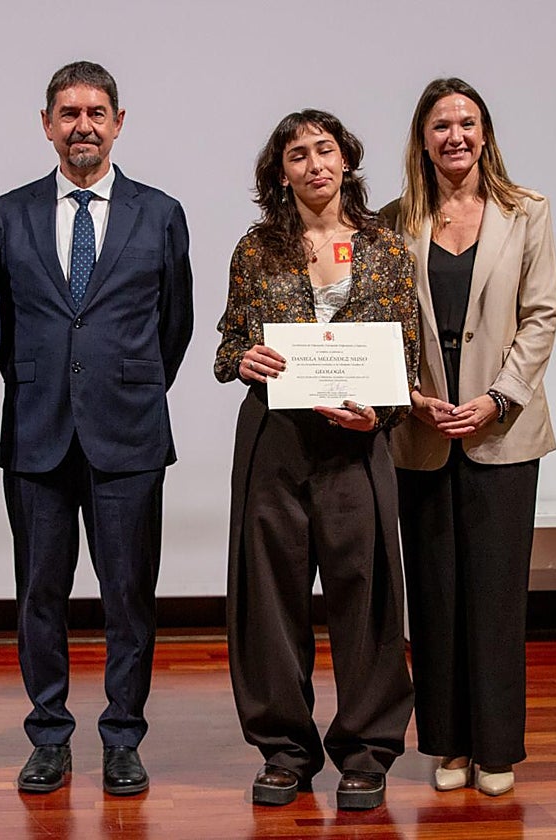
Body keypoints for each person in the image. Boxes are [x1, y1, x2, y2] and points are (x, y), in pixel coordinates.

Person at [0, 61, 193, 797]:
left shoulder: (159, 211)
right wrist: (47, 386)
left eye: (96, 112)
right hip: (37, 433)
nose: (83, 125)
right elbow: (0, 327)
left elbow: (176, 324)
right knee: (39, 594)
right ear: (46, 124)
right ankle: (48, 737)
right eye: (68, 112)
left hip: (129, 436)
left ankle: (121, 738)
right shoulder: (8, 213)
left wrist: (129, 386)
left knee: (129, 596)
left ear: (119, 122)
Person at [214, 109, 419, 811]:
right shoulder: (256, 250)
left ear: (346, 161)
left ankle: (366, 752)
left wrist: (380, 414)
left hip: (357, 443)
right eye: (296, 155)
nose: (313, 164)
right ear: (281, 173)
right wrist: (242, 359)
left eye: (324, 150)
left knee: (366, 597)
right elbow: (227, 343)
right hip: (275, 441)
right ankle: (285, 752)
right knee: (270, 597)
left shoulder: (387, 250)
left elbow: (407, 356)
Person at [378, 77, 556, 796]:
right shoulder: (393, 222)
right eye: (440, 124)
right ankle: (448, 745)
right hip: (421, 431)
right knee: (435, 592)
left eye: (467, 122)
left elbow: (541, 316)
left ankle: (496, 750)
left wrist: (495, 398)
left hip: (503, 431)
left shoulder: (528, 213)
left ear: (485, 134)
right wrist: (410, 398)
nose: (455, 135)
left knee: (495, 593)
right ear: (422, 139)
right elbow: (380, 326)